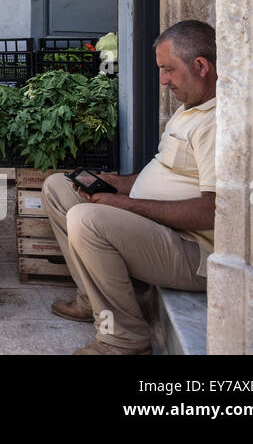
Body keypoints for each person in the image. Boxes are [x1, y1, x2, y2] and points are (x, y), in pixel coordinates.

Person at [41, 20, 217, 355]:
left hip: (192, 252)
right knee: (57, 187)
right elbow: (165, 173)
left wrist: (125, 205)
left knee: (86, 220)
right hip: (159, 228)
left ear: (201, 66)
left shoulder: (215, 123)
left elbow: (212, 210)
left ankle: (123, 337)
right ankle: (92, 303)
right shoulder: (189, 110)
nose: (163, 80)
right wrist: (117, 185)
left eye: (168, 70)